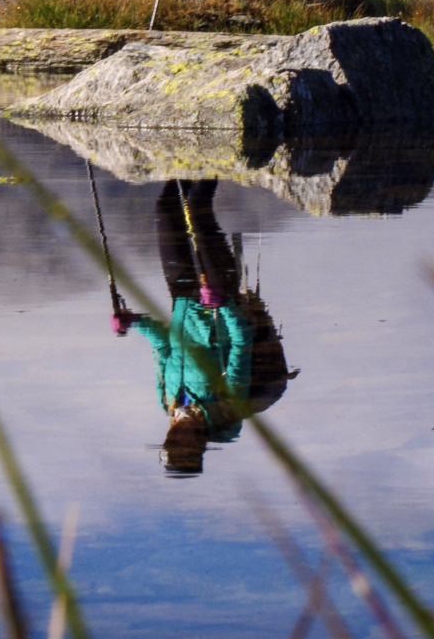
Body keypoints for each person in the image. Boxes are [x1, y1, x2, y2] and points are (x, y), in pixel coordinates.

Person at [111, 179, 297, 476]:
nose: (178, 438)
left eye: (172, 444)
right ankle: (215, 162)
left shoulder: (168, 403)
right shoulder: (226, 406)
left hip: (182, 295)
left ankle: (180, 161)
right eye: (185, 446)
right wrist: (222, 303)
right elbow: (241, 340)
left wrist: (134, 321)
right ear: (199, 446)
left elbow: (164, 347)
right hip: (218, 292)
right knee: (197, 209)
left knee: (165, 209)